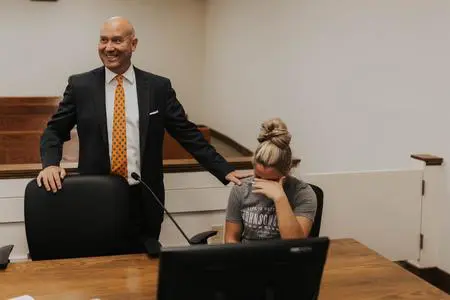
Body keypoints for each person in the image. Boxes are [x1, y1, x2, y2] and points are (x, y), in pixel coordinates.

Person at [37, 16, 250, 247]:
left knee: (143, 270)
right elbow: (53, 131)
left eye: (117, 40)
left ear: (133, 44)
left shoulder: (158, 87)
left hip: (144, 199)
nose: (109, 48)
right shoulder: (81, 86)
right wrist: (50, 163)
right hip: (95, 196)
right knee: (99, 269)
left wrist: (224, 169)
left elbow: (187, 133)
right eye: (103, 40)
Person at [224, 118, 317, 243]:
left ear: (287, 171)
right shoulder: (241, 189)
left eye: (271, 180)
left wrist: (280, 198)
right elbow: (231, 238)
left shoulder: (303, 193)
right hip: (248, 258)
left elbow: (295, 245)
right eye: (258, 176)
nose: (263, 183)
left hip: (284, 260)